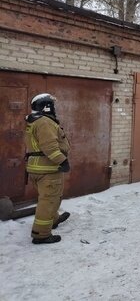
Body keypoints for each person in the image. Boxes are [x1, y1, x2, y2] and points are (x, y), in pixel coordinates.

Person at [24, 93, 71, 244]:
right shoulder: (45, 122)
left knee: (51, 197)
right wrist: (62, 161)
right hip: (48, 168)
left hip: (38, 168)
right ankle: (41, 234)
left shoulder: (35, 121)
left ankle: (54, 219)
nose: (54, 108)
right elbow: (49, 147)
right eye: (52, 105)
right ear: (46, 106)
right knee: (48, 200)